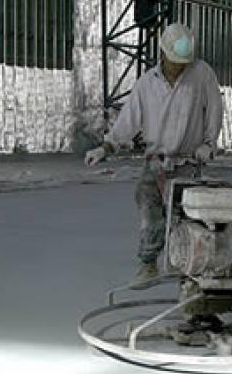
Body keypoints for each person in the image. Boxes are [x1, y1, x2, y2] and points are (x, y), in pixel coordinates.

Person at [85, 23, 224, 282]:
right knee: (150, 213)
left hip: (187, 161)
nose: (180, 67)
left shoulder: (202, 74)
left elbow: (215, 108)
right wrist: (107, 146)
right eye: (175, 62)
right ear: (163, 54)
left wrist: (209, 143)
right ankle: (148, 264)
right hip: (155, 163)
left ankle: (191, 270)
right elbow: (129, 120)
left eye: (184, 62)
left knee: (188, 218)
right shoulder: (147, 84)